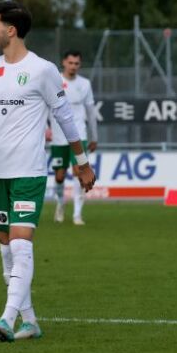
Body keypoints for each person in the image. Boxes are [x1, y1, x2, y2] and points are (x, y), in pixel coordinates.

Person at [0, 1, 96, 342]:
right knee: (6, 250)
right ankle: (30, 321)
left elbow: (65, 117)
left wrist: (82, 162)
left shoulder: (42, 69)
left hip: (28, 172)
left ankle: (7, 319)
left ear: (10, 30)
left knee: (21, 245)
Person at [49, 50, 98, 226]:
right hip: (58, 137)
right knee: (59, 176)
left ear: (80, 65)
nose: (73, 66)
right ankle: (61, 203)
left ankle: (77, 214)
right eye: (70, 63)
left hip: (79, 135)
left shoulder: (85, 84)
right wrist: (45, 129)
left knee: (80, 172)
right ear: (64, 62)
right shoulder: (54, 82)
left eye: (76, 63)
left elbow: (91, 112)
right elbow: (45, 106)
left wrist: (94, 137)